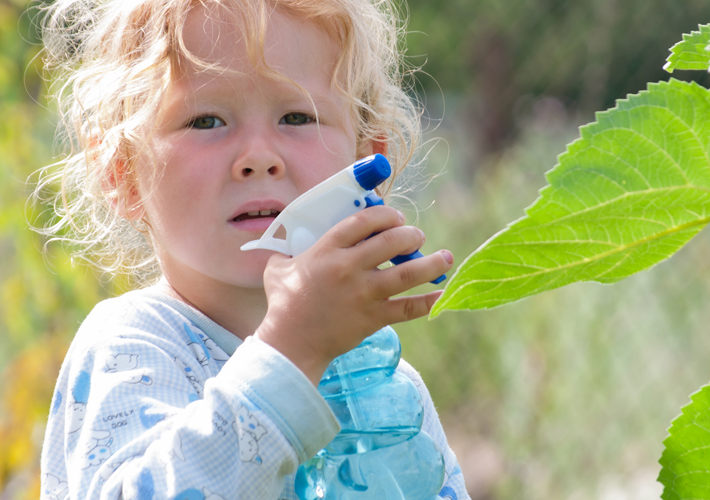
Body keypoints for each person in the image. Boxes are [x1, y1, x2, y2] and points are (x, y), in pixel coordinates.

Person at [35, 0, 468, 498]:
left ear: (368, 162)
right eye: (206, 121)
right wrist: (289, 353)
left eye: (297, 115)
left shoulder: (385, 381)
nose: (258, 157)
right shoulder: (133, 346)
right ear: (122, 173)